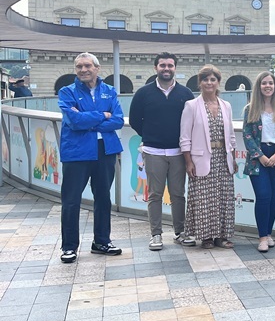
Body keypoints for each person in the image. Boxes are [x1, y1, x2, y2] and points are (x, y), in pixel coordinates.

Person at [58, 53, 124, 263]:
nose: (83, 70)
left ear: (97, 68)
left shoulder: (109, 91)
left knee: (103, 198)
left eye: (87, 66)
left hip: (105, 150)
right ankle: (69, 247)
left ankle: (101, 242)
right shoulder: (66, 92)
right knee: (71, 200)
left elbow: (118, 120)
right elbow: (74, 121)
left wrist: (90, 119)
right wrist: (101, 115)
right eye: (79, 66)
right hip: (76, 152)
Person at [129, 52, 195, 251]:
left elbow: (192, 122)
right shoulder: (143, 93)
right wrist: (151, 135)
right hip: (153, 151)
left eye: (170, 65)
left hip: (178, 153)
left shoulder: (185, 94)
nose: (166, 69)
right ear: (155, 68)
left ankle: (180, 232)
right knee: (155, 195)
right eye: (162, 65)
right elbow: (134, 120)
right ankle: (156, 235)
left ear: (175, 68)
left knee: (178, 194)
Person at [180, 65, 238, 249]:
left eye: (213, 79)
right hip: (201, 159)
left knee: (223, 198)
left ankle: (221, 236)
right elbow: (185, 137)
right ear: (200, 82)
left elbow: (231, 136)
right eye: (205, 79)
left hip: (223, 157)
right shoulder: (191, 105)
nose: (209, 83)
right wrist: (188, 162)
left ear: (218, 82)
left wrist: (233, 158)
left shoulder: (226, 106)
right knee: (204, 199)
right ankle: (206, 237)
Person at [243, 72, 275, 252]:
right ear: (259, 86)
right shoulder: (250, 109)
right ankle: (262, 237)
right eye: (264, 83)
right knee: (263, 196)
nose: (267, 86)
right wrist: (261, 156)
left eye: (270, 83)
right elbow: (247, 136)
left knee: (273, 198)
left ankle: (269, 233)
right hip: (258, 158)